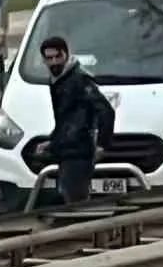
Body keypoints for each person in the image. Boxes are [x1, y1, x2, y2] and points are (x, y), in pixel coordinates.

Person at [38, 34, 115, 203]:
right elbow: (67, 118)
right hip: (68, 150)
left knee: (74, 201)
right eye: (49, 58)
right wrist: (52, 141)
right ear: (43, 60)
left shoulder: (79, 79)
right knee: (69, 198)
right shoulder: (58, 81)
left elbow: (106, 111)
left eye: (58, 56)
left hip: (78, 151)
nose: (54, 62)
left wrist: (102, 143)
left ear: (66, 55)